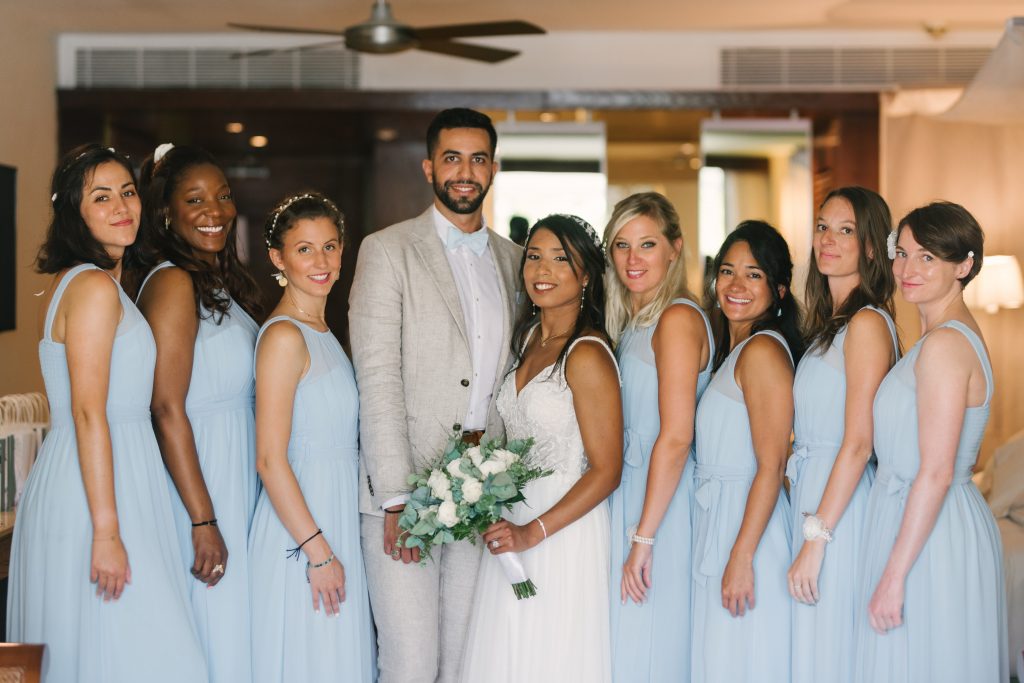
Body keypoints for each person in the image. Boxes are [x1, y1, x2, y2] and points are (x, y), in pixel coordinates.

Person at [6, 144, 207, 682]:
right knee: (145, 654)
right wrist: (106, 531)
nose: (122, 206)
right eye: (101, 197)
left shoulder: (89, 283)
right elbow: (88, 413)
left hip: (111, 475)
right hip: (96, 490)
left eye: (127, 191)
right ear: (74, 212)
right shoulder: (93, 288)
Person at [348, 107, 522, 683]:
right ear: (429, 168)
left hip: (482, 490)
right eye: (452, 158)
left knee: (464, 662)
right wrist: (396, 499)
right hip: (405, 490)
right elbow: (377, 377)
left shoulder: (515, 261)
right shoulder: (387, 250)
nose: (465, 172)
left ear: (493, 168)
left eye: (477, 159)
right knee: (410, 662)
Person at [460, 214, 623, 683]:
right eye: (534, 256)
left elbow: (607, 470)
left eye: (560, 259)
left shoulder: (586, 353)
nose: (542, 270)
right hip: (512, 515)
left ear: (586, 275)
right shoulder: (528, 337)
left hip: (562, 527)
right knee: (508, 651)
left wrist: (533, 532)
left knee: (550, 655)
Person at [853, 202, 1007, 682]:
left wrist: (894, 576)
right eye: (902, 253)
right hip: (918, 513)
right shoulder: (938, 338)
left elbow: (937, 471)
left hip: (932, 530)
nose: (907, 270)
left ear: (963, 266)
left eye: (927, 257)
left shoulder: (945, 345)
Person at [129, 143, 262, 683]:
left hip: (235, 473)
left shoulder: (215, 279)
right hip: (203, 481)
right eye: (196, 199)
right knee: (212, 627)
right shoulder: (172, 282)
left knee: (234, 631)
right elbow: (165, 407)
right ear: (167, 211)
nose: (216, 211)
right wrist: (203, 520)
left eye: (223, 196)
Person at [249, 192, 374, 682]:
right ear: (278, 258)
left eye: (330, 246)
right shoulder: (284, 337)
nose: (321, 262)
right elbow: (269, 459)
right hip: (302, 531)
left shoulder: (324, 332)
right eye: (304, 249)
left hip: (334, 515)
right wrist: (318, 552)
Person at [786, 187, 898, 683]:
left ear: (871, 247)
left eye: (845, 230)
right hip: (814, 491)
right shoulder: (830, 325)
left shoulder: (867, 323)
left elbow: (859, 442)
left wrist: (817, 539)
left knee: (831, 649)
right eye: (822, 227)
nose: (827, 240)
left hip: (840, 510)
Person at [603, 192, 712, 681]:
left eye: (647, 244)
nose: (633, 258)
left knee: (648, 640)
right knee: (627, 638)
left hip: (659, 502)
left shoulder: (677, 318)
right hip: (631, 489)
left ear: (675, 248)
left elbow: (677, 435)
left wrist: (644, 535)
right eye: (621, 245)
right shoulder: (633, 321)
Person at [690, 220, 803, 683]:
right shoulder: (733, 349)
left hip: (748, 525)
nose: (736, 285)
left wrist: (742, 556)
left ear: (779, 289)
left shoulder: (763, 353)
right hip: (721, 517)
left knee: (744, 658)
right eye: (727, 271)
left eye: (753, 274)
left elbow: (772, 465)